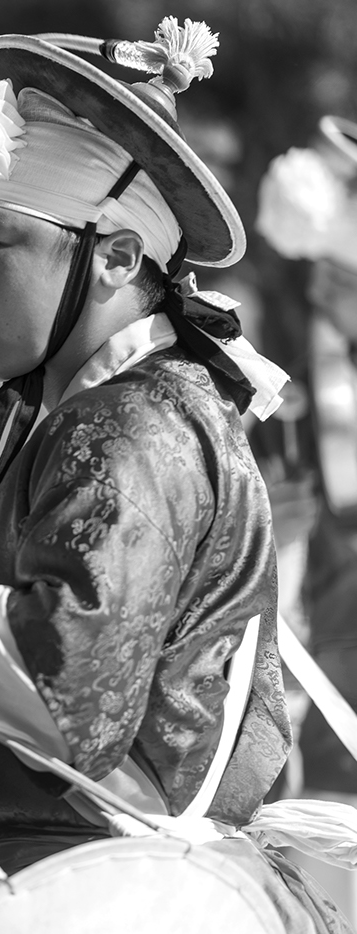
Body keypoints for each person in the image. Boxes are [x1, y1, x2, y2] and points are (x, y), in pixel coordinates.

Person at [0, 17, 351, 931]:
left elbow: (71, 704)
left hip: (114, 883)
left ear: (118, 258)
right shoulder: (102, 412)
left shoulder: (134, 422)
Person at [255, 119, 357, 797]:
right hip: (321, 587)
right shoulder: (296, 365)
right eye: (326, 278)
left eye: (341, 280)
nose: (327, 292)